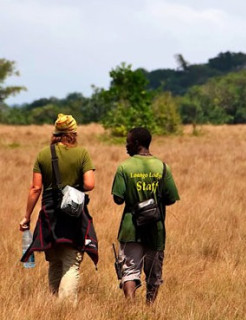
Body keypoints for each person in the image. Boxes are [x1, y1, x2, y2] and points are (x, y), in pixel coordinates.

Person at [20, 113, 98, 302]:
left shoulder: (44, 154)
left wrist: (26, 217)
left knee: (54, 261)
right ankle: (65, 307)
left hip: (49, 214)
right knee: (71, 263)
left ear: (56, 132)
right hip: (73, 214)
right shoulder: (82, 153)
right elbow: (89, 184)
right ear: (73, 132)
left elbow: (36, 188)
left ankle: (54, 305)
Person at [111, 127, 180, 304]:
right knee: (153, 275)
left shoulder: (124, 168)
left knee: (129, 272)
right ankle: (149, 310)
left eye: (128, 142)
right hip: (155, 228)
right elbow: (171, 198)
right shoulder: (163, 167)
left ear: (136, 143)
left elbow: (118, 199)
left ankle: (131, 309)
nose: (126, 146)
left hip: (130, 228)